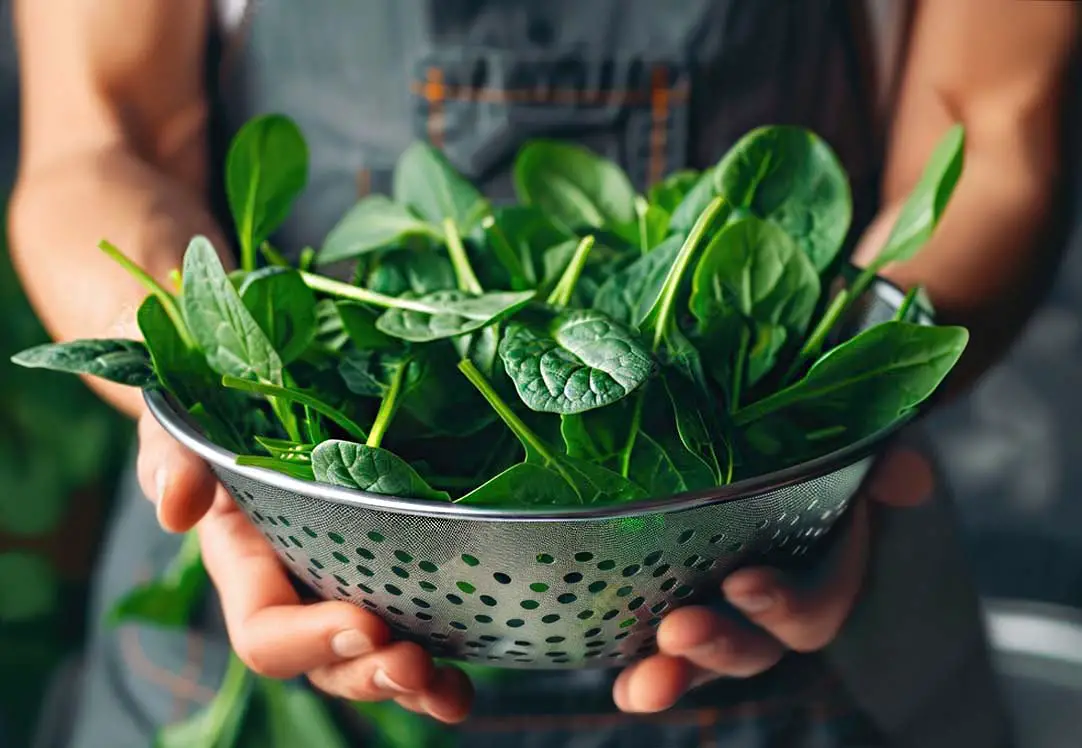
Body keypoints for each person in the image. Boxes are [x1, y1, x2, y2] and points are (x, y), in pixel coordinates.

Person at [8, 1, 1077, 746]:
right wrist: (214, 399)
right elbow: (104, 139)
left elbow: (991, 130)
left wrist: (834, 414)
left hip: (798, 608)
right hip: (284, 564)